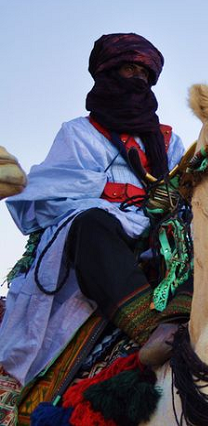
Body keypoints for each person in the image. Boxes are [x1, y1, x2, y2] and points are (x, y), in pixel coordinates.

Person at [0, 33, 188, 390]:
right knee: (90, 222)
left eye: (144, 76)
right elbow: (46, 193)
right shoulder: (78, 133)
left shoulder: (170, 142)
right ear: (107, 75)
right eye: (129, 70)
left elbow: (185, 184)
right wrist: (121, 192)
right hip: (100, 239)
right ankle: (149, 328)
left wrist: (173, 197)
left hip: (164, 234)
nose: (137, 81)